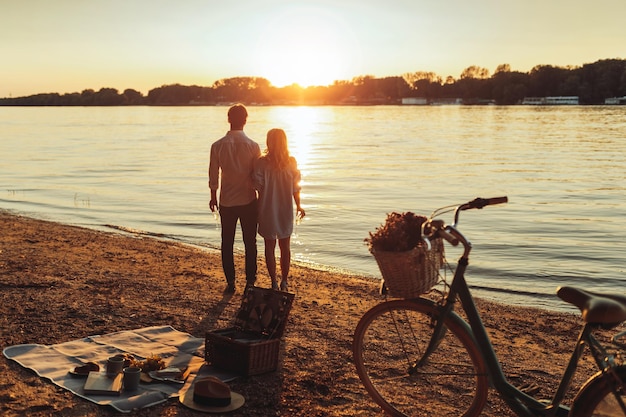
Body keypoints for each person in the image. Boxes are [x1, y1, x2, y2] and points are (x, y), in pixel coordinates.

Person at [209, 104, 261, 294]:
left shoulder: (217, 145)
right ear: (245, 120)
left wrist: (212, 196)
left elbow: (213, 174)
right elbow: (257, 177)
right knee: (250, 242)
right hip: (248, 200)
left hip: (227, 200)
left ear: (228, 119)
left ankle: (231, 281)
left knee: (227, 241)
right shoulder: (253, 146)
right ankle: (250, 281)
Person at [253, 128, 305, 292]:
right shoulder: (291, 162)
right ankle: (284, 281)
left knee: (269, 246)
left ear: (269, 142)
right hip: (285, 208)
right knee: (285, 246)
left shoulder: (261, 163)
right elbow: (295, 188)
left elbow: (258, 188)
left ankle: (274, 282)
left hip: (267, 208)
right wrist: (298, 205)